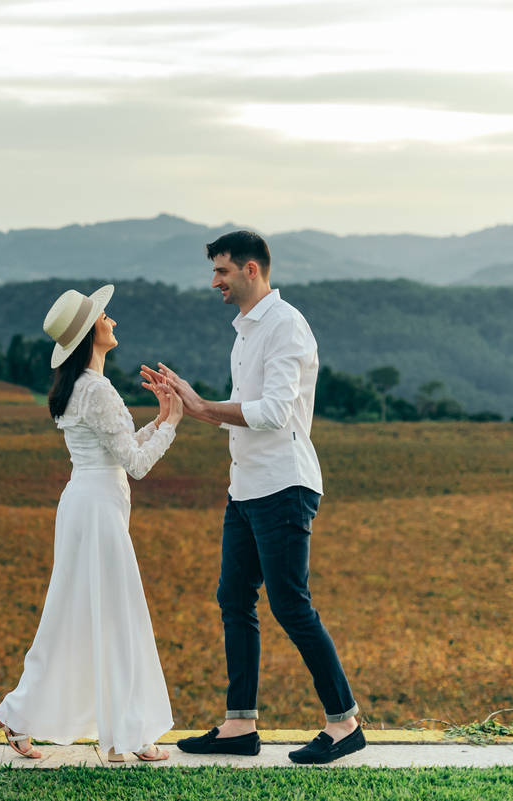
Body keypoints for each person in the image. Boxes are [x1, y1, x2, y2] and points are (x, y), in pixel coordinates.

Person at [142, 230, 364, 765]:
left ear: (251, 270)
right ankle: (240, 725)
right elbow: (241, 413)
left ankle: (345, 723)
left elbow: (273, 412)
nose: (213, 281)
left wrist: (203, 406)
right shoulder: (245, 332)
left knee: (291, 604)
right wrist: (193, 407)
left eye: (221, 271)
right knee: (233, 598)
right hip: (245, 486)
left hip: (284, 485)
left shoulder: (286, 326)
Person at [0, 284, 184, 763]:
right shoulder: (98, 389)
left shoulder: (80, 389)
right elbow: (135, 464)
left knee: (76, 615)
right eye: (104, 316)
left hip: (84, 503)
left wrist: (158, 420)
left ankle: (17, 716)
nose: (111, 319)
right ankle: (122, 738)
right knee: (116, 615)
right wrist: (172, 421)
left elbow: (118, 449)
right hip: (98, 510)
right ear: (93, 333)